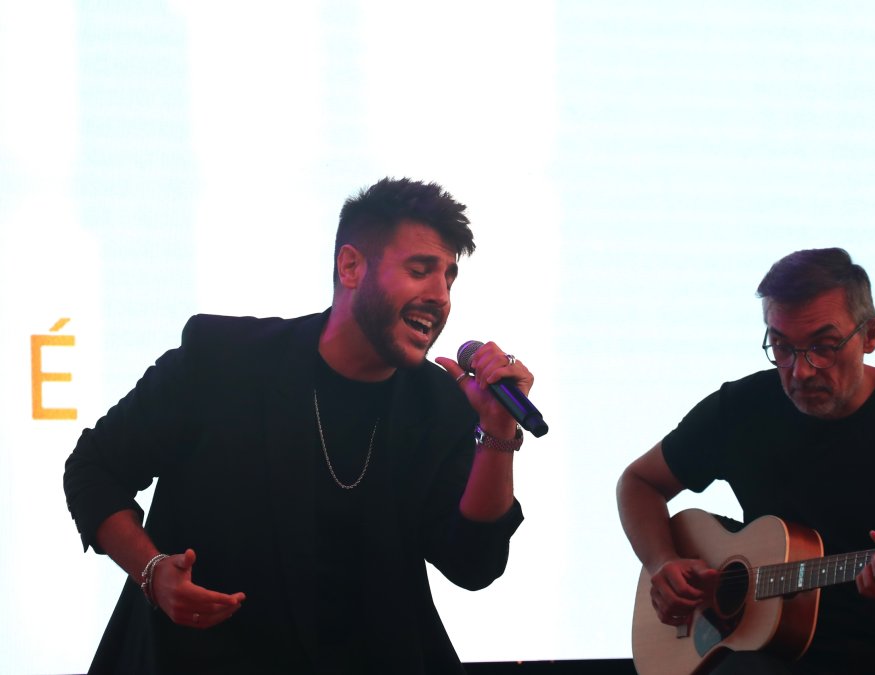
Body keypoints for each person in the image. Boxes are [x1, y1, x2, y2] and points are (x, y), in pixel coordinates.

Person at [63, 177, 531, 674]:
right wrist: (153, 573)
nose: (440, 296)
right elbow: (94, 469)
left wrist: (497, 434)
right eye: (420, 271)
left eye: (449, 279)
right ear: (351, 266)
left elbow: (474, 563)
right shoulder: (223, 360)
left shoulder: (440, 405)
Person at [616, 248, 875, 674]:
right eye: (781, 347)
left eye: (824, 347)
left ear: (870, 335)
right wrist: (662, 562)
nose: (800, 371)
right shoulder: (741, 408)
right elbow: (638, 483)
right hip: (765, 658)